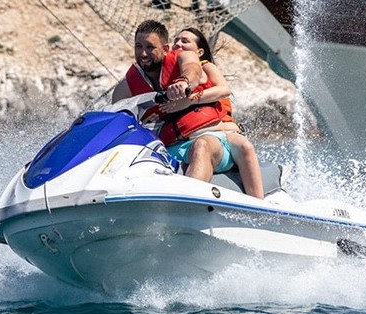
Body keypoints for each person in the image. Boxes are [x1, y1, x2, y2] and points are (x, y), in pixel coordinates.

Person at [112, 21, 264, 198]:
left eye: (150, 47)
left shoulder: (190, 61)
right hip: (169, 145)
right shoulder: (128, 85)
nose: (143, 53)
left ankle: (189, 202)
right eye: (139, 47)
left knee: (206, 145)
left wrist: (184, 85)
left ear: (166, 49)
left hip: (211, 139)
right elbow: (115, 117)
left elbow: (193, 71)